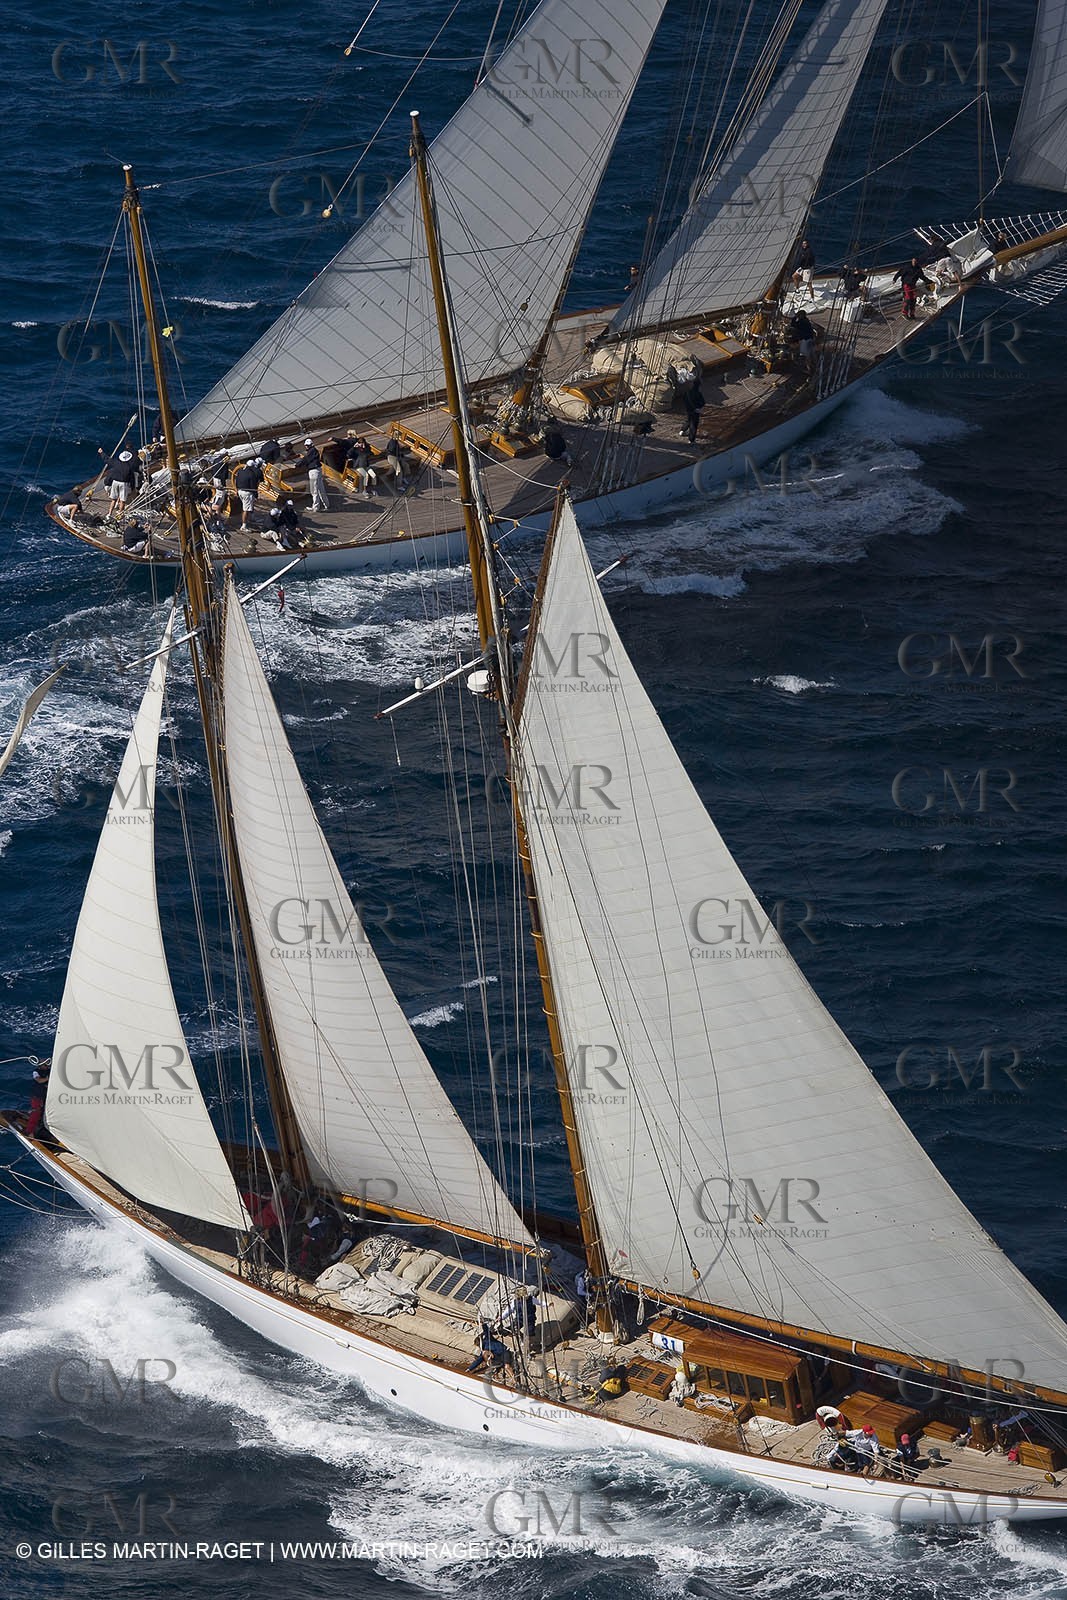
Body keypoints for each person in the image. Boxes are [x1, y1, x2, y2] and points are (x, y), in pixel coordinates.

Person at [97, 447, 141, 519]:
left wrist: (101, 453)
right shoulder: (130, 467)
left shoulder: (115, 463)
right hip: (124, 484)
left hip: (115, 482)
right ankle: (120, 514)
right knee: (123, 501)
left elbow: (107, 459)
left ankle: (109, 514)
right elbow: (131, 479)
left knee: (113, 499)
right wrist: (132, 488)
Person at [292, 438, 329, 512]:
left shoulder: (311, 451)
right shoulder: (314, 450)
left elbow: (306, 459)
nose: (307, 447)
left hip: (313, 471)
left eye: (307, 446)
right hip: (318, 470)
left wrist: (297, 465)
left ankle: (315, 507)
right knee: (321, 489)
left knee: (314, 490)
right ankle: (326, 505)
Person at [234, 460, 261, 531]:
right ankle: (244, 526)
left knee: (247, 507)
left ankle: (251, 518)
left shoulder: (240, 471)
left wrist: (236, 491)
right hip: (247, 493)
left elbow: (236, 481)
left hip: (240, 491)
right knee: (246, 509)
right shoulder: (251, 474)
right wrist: (256, 495)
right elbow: (253, 487)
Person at [25, 1061, 50, 1138]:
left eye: (47, 1063)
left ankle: (44, 1129)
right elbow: (39, 1080)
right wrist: (47, 1078)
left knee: (44, 1113)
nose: (46, 1065)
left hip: (46, 1097)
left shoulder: (49, 1071)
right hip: (37, 1097)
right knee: (36, 1112)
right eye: (44, 1064)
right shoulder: (36, 1072)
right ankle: (30, 1132)